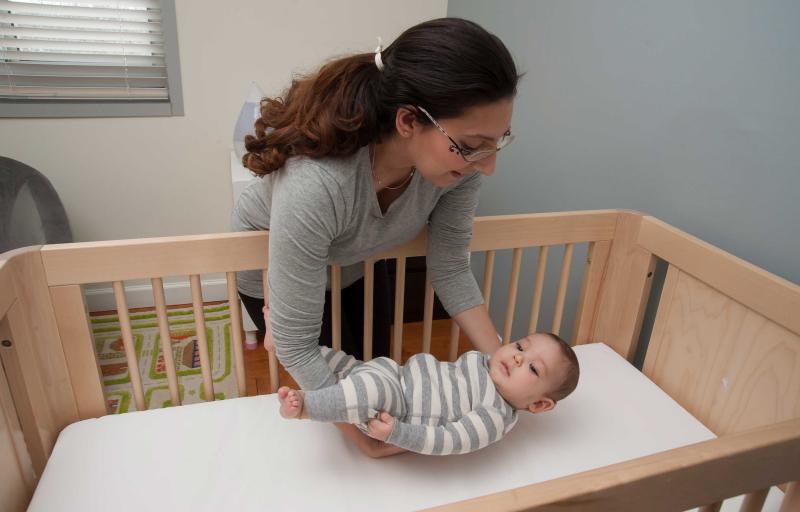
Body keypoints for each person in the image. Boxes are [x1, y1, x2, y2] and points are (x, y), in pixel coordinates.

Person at [232, 17, 520, 456]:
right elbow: (298, 345)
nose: (487, 164)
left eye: (496, 143)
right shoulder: (319, 182)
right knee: (316, 363)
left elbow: (449, 266)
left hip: (353, 257)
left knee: (377, 372)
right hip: (277, 266)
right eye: (471, 144)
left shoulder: (460, 169)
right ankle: (275, 328)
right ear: (408, 121)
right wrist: (366, 439)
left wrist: (501, 360)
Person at [277, 333, 580, 456]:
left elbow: (447, 440)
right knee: (345, 364)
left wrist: (398, 432)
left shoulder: (493, 416)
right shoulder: (487, 364)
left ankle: (306, 405)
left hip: (397, 408)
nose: (517, 357)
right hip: (394, 372)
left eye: (533, 369)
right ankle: (285, 344)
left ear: (539, 404)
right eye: (520, 346)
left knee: (364, 390)